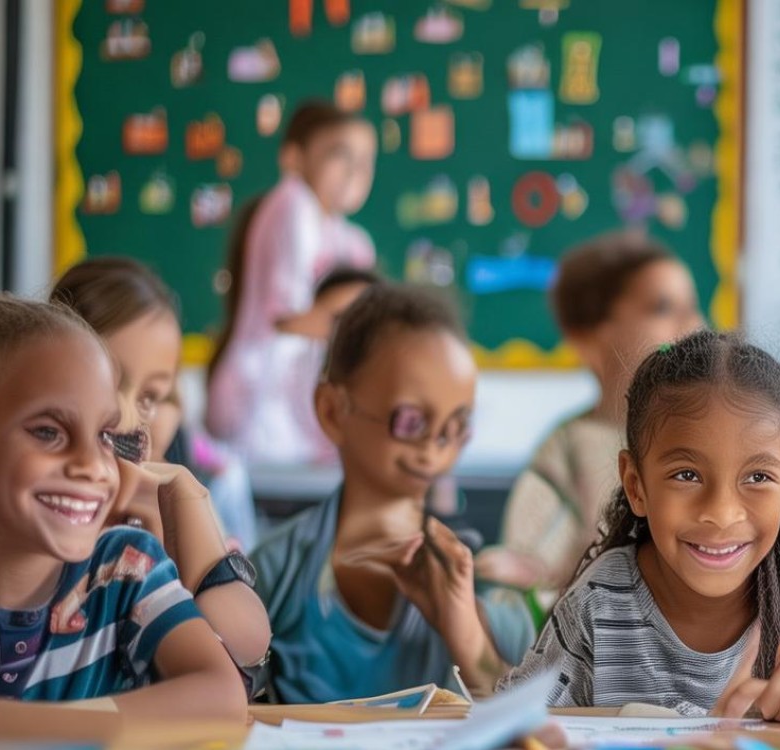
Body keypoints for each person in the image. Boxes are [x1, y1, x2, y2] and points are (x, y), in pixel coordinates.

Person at [499, 331, 780, 720]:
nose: (722, 514)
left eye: (758, 478)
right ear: (636, 486)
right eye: (687, 475)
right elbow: (510, 724)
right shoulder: (600, 604)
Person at [252, 284, 535, 703]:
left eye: (456, 428)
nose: (434, 449)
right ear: (333, 411)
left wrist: (467, 633)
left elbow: (532, 719)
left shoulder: (483, 587)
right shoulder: (274, 574)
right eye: (410, 422)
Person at [0, 296, 245, 738]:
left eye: (105, 435)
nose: (92, 464)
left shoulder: (124, 568)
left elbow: (222, 697)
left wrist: (24, 731)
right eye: (48, 431)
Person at [478, 231, 703, 603]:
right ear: (588, 338)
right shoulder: (567, 452)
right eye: (662, 308)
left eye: (693, 307)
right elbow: (522, 591)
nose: (690, 325)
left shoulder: (716, 436)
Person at [207, 100, 378, 465]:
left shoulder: (350, 236)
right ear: (293, 158)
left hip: (290, 411)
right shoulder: (293, 203)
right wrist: (346, 320)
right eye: (339, 155)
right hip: (260, 405)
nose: (355, 172)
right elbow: (288, 319)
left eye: (366, 161)